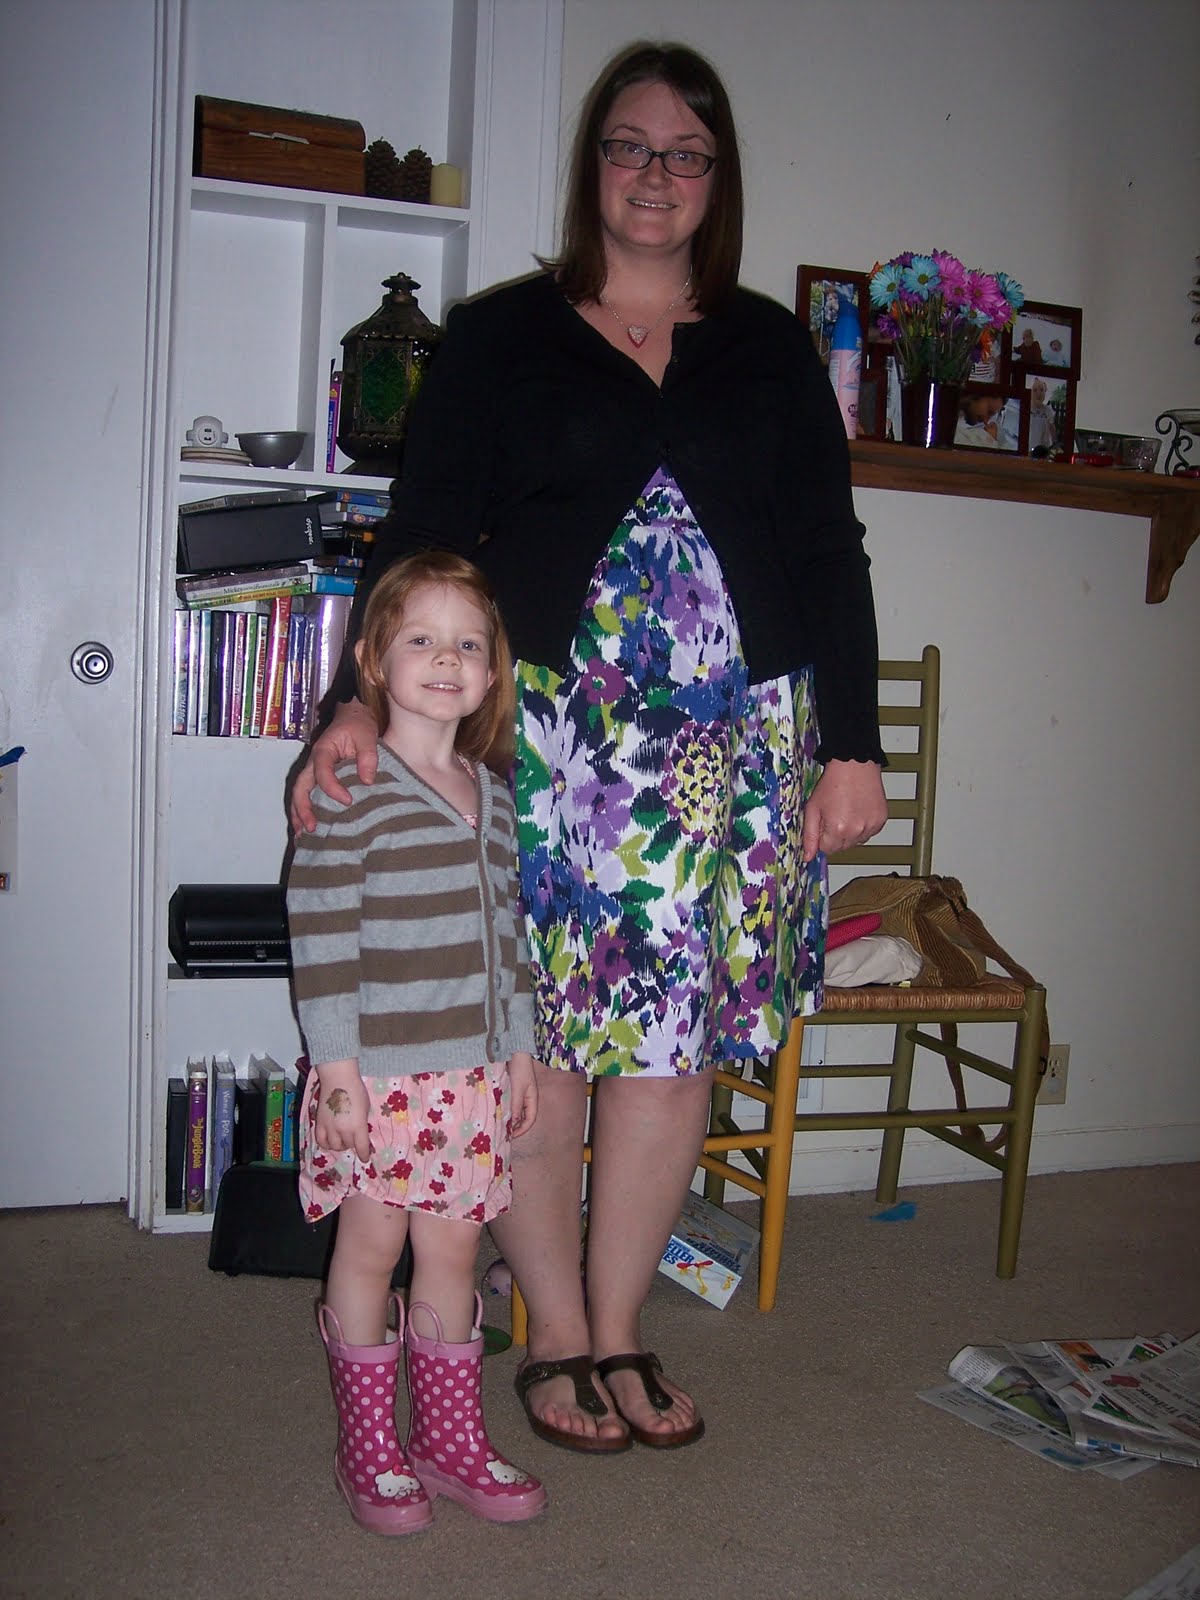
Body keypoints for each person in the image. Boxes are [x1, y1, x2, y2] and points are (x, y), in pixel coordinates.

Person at [290, 40, 888, 1454]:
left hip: (733, 749)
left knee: (671, 1051)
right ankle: (553, 1329)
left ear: (717, 178)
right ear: (592, 165)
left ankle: (620, 1323)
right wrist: (350, 705)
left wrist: (852, 746)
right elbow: (421, 531)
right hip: (554, 740)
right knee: (543, 1042)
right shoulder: (502, 333)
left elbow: (827, 547)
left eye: (686, 152)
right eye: (630, 145)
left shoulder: (769, 347)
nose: (655, 174)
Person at [287, 549, 546, 1533]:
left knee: (454, 1249)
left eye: (469, 645)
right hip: (378, 1077)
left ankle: (448, 1441)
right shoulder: (351, 785)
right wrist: (338, 1072)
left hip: (472, 1076)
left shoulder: (495, 793)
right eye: (423, 640)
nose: (447, 659)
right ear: (373, 661)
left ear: (491, 670)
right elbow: (321, 935)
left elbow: (508, 936)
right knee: (371, 1246)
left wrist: (518, 1049)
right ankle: (368, 1448)